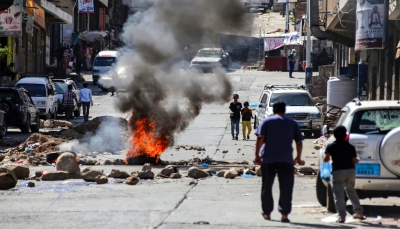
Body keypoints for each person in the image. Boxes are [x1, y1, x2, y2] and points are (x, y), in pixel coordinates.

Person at [254, 101, 303, 223]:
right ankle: (284, 214)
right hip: (286, 160)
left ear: (274, 110)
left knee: (267, 186)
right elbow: (299, 142)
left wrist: (257, 156)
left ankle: (267, 213)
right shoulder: (292, 123)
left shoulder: (266, 122)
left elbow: (260, 138)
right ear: (284, 110)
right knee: (286, 187)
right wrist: (298, 157)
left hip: (268, 160)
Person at [323, 126, 365, 223]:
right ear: (345, 135)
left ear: (334, 135)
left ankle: (342, 216)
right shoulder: (350, 147)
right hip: (350, 171)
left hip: (338, 171)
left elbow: (326, 159)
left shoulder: (331, 146)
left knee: (339, 194)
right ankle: (359, 213)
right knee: (351, 191)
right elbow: (354, 161)